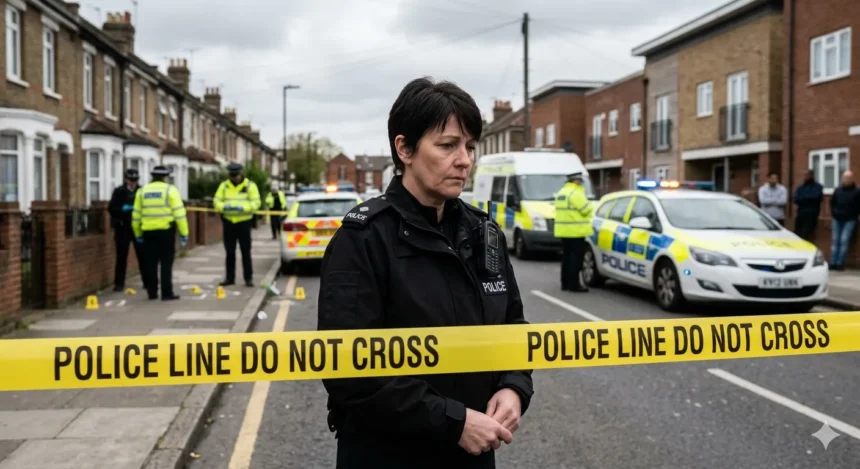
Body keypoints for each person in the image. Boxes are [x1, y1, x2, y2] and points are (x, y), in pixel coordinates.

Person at [318, 77, 534, 469]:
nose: (465, 159)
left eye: (469, 147)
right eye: (448, 145)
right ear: (405, 149)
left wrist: (514, 387)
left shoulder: (483, 233)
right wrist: (454, 421)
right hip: (387, 456)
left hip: (472, 453)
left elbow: (513, 329)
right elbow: (347, 368)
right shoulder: (363, 239)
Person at [131, 166, 188, 301]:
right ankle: (166, 293)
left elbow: (136, 216)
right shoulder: (170, 190)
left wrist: (137, 233)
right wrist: (184, 233)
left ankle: (152, 293)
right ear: (164, 177)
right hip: (166, 232)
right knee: (166, 263)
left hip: (148, 232)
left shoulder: (142, 191)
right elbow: (179, 214)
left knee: (150, 263)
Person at [214, 162, 261, 287]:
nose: (234, 178)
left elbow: (256, 203)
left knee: (246, 252)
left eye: (236, 175)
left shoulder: (250, 186)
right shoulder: (224, 186)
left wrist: (244, 208)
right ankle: (230, 278)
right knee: (229, 252)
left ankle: (248, 278)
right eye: (232, 175)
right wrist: (224, 207)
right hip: (229, 223)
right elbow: (216, 201)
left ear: (241, 174)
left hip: (244, 223)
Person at [554, 172, 594, 292]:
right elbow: (586, 209)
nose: (581, 183)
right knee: (576, 259)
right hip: (576, 232)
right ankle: (574, 284)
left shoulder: (561, 193)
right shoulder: (576, 193)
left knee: (566, 258)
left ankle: (565, 283)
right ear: (575, 181)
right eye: (580, 181)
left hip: (563, 231)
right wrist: (591, 206)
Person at [108, 168, 146, 292]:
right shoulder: (119, 191)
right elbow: (111, 208)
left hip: (138, 227)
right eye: (131, 180)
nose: (133, 183)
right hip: (123, 227)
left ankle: (147, 282)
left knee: (143, 256)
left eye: (135, 180)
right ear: (125, 179)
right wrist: (122, 209)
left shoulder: (141, 191)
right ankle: (119, 284)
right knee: (121, 256)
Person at [829, 170, 860, 271]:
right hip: (837, 219)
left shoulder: (857, 191)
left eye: (849, 178)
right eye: (845, 178)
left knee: (844, 241)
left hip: (850, 220)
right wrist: (834, 213)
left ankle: (840, 263)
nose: (847, 180)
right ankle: (833, 262)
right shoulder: (838, 190)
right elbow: (832, 202)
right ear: (842, 179)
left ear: (852, 179)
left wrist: (855, 214)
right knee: (835, 241)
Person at [793, 169, 823, 240]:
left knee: (807, 235)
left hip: (812, 215)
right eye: (804, 175)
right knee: (798, 234)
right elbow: (796, 199)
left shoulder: (818, 187)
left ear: (811, 176)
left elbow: (817, 198)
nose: (804, 177)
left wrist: (804, 198)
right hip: (801, 214)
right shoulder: (801, 187)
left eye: (806, 175)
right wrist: (807, 198)